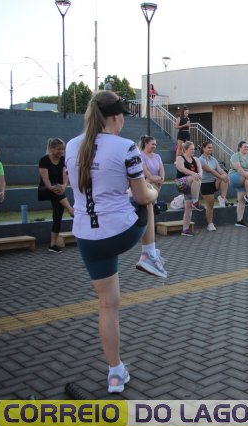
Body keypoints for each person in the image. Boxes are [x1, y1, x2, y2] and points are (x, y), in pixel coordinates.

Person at [65, 90, 158, 393]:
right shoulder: (126, 146)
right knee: (147, 202)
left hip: (87, 238)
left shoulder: (72, 145)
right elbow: (141, 196)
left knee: (107, 305)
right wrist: (153, 192)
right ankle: (150, 254)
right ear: (116, 117)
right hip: (121, 232)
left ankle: (115, 374)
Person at [136, 135, 167, 277]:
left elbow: (162, 169)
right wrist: (153, 179)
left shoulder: (157, 156)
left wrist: (162, 178)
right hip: (147, 183)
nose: (154, 146)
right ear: (146, 144)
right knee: (149, 208)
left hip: (157, 183)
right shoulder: (141, 155)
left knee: (151, 210)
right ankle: (149, 243)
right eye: (152, 144)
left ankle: (150, 242)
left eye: (155, 144)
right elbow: (145, 172)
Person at [38, 138, 74, 253]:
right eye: (59, 149)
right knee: (57, 189)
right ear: (51, 149)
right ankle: (71, 210)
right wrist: (51, 187)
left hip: (58, 192)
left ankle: (52, 245)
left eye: (63, 149)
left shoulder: (63, 160)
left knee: (57, 216)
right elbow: (45, 179)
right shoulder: (44, 160)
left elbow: (65, 175)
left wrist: (64, 185)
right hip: (45, 189)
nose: (61, 151)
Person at [175, 141, 204, 236]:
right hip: (181, 183)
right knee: (195, 177)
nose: (193, 151)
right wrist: (194, 174)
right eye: (191, 149)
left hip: (191, 186)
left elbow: (200, 170)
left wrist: (199, 175)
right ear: (185, 150)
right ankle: (195, 201)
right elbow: (181, 169)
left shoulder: (196, 159)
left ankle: (185, 230)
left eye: (194, 149)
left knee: (188, 207)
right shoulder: (180, 158)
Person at [199, 141, 230, 231]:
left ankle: (222, 197)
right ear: (203, 148)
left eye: (211, 148)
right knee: (210, 205)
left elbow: (219, 169)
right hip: (205, 184)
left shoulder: (213, 159)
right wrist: (222, 177)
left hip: (214, 182)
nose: (211, 149)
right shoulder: (201, 159)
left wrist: (226, 176)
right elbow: (210, 170)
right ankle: (210, 224)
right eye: (209, 147)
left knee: (224, 176)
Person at [229, 141, 248, 227]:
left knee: (241, 200)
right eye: (245, 147)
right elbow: (239, 169)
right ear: (240, 147)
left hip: (245, 179)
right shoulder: (235, 156)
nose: (246, 148)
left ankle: (239, 221)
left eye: (247, 147)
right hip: (235, 177)